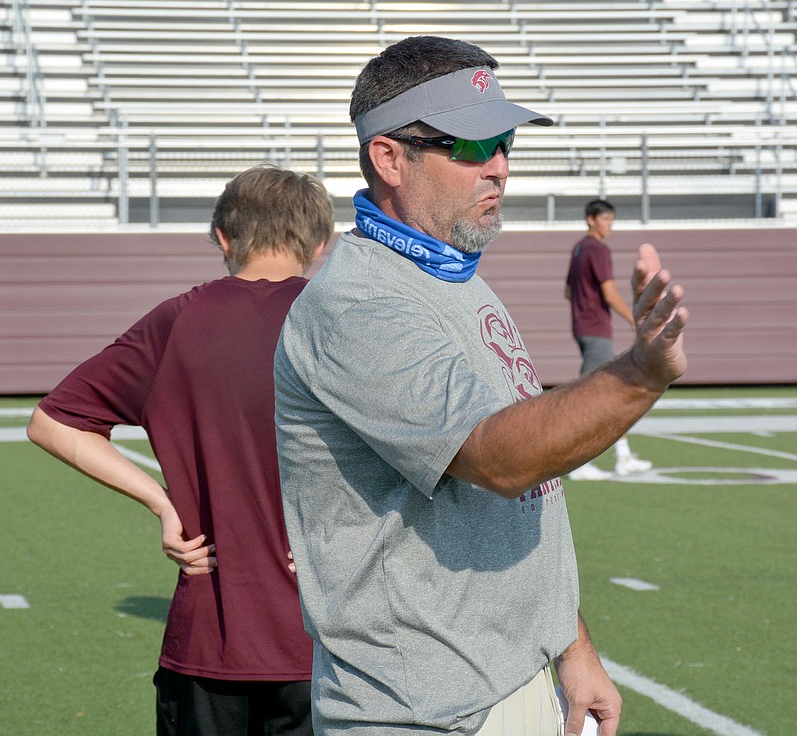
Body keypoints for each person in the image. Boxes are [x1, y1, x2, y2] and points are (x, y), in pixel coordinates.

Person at [274, 35, 688, 736]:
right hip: (421, 715)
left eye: (505, 143)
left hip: (509, 683)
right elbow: (502, 459)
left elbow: (530, 502)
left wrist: (571, 643)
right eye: (470, 146)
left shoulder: (456, 276)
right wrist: (640, 374)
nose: (498, 166)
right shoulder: (359, 302)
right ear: (388, 156)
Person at [27, 164, 335, 736]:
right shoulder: (346, 318)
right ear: (321, 243)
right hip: (328, 639)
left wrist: (164, 505)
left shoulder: (179, 320)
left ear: (222, 236)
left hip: (207, 642)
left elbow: (52, 422)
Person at [564, 198, 653, 481]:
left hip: (584, 327)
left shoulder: (579, 248)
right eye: (605, 219)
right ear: (591, 219)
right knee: (592, 398)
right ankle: (576, 463)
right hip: (595, 330)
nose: (609, 225)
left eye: (611, 220)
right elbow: (610, 293)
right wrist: (634, 320)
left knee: (609, 393)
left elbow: (568, 291)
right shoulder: (598, 249)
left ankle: (623, 455)